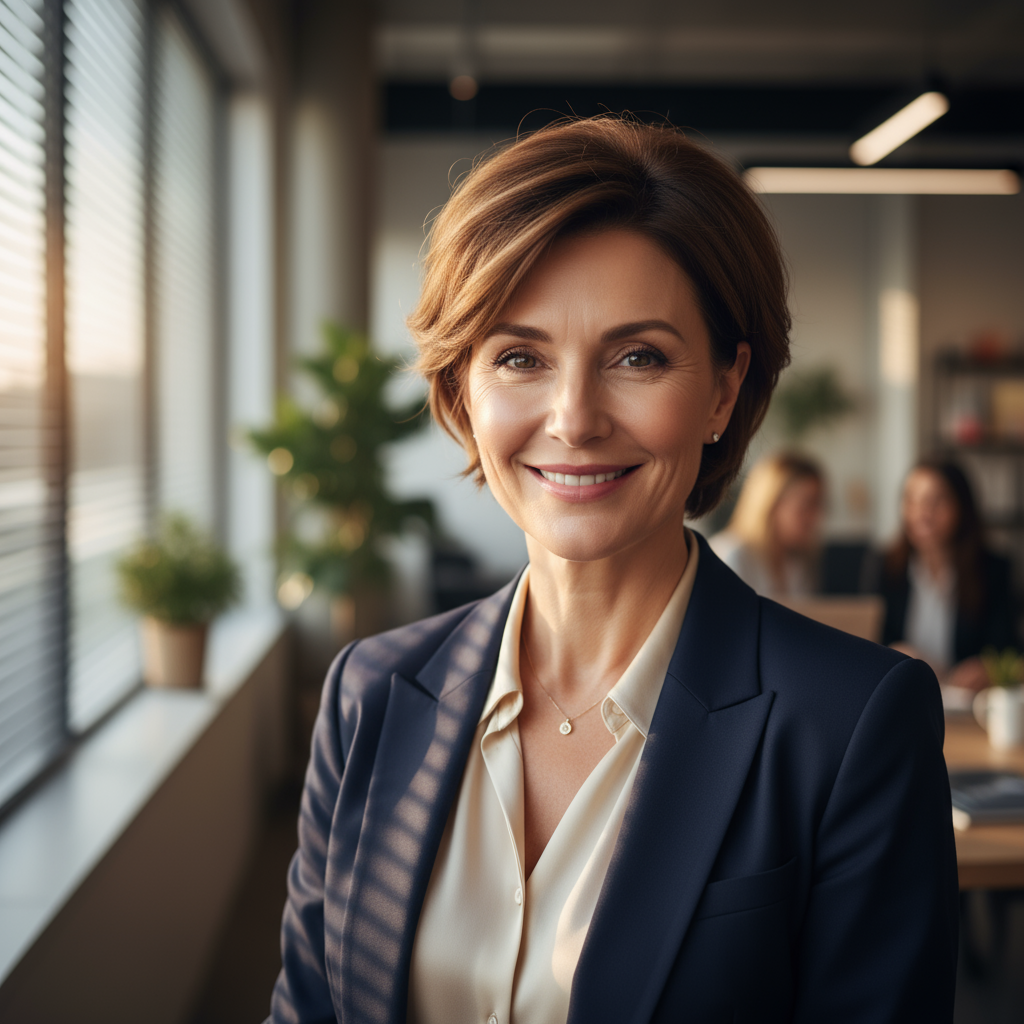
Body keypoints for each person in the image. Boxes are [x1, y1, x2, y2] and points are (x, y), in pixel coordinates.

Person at [269, 116, 957, 1024]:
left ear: (722, 388)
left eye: (638, 357)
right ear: (461, 393)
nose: (575, 417)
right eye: (520, 356)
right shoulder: (369, 695)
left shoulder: (852, 727)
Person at [878, 457, 1018, 692]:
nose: (922, 513)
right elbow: (868, 639)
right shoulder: (885, 567)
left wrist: (988, 667)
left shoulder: (992, 569)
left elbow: (1008, 647)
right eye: (912, 500)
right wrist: (895, 652)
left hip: (968, 703)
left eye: (936, 501)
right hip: (902, 696)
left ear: (962, 506)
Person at [709, 452, 825, 598]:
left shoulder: (796, 564)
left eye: (819, 505)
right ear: (772, 503)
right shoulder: (730, 556)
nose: (816, 517)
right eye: (807, 505)